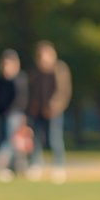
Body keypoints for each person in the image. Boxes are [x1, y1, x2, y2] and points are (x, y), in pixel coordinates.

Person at [26, 40, 71, 183]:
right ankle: (36, 165)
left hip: (54, 112)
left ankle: (58, 166)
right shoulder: (34, 72)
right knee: (36, 140)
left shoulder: (60, 70)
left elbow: (63, 92)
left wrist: (52, 107)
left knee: (55, 139)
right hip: (36, 112)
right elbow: (30, 92)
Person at [0, 48, 29, 182]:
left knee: (11, 142)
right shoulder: (0, 80)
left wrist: (12, 111)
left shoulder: (19, 79)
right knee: (4, 141)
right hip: (2, 115)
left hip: (14, 115)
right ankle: (15, 168)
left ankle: (0, 166)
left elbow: (20, 99)